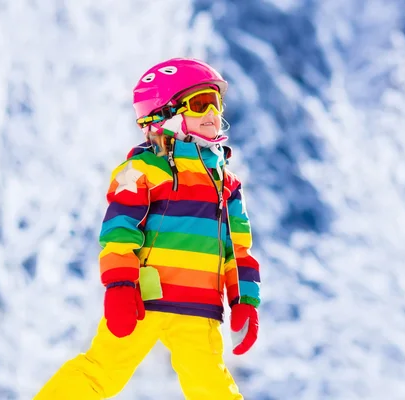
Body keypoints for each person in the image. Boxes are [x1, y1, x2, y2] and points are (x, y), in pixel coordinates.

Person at [34, 57, 261, 400]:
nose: (213, 113)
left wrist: (244, 302)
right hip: (145, 301)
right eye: (200, 104)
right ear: (164, 115)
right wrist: (120, 285)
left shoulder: (227, 184)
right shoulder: (139, 171)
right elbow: (118, 233)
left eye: (216, 103)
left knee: (213, 388)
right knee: (101, 372)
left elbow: (237, 249)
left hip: (199, 309)